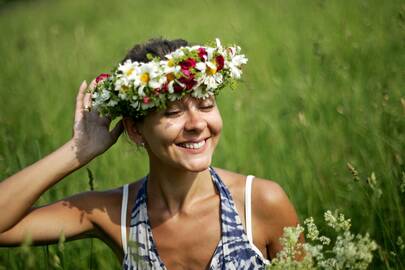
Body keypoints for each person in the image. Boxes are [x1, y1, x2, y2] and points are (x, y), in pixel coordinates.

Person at [0, 38, 300, 269]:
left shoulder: (259, 202)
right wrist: (78, 151)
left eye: (206, 106)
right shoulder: (114, 214)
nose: (197, 124)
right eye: (173, 112)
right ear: (135, 130)